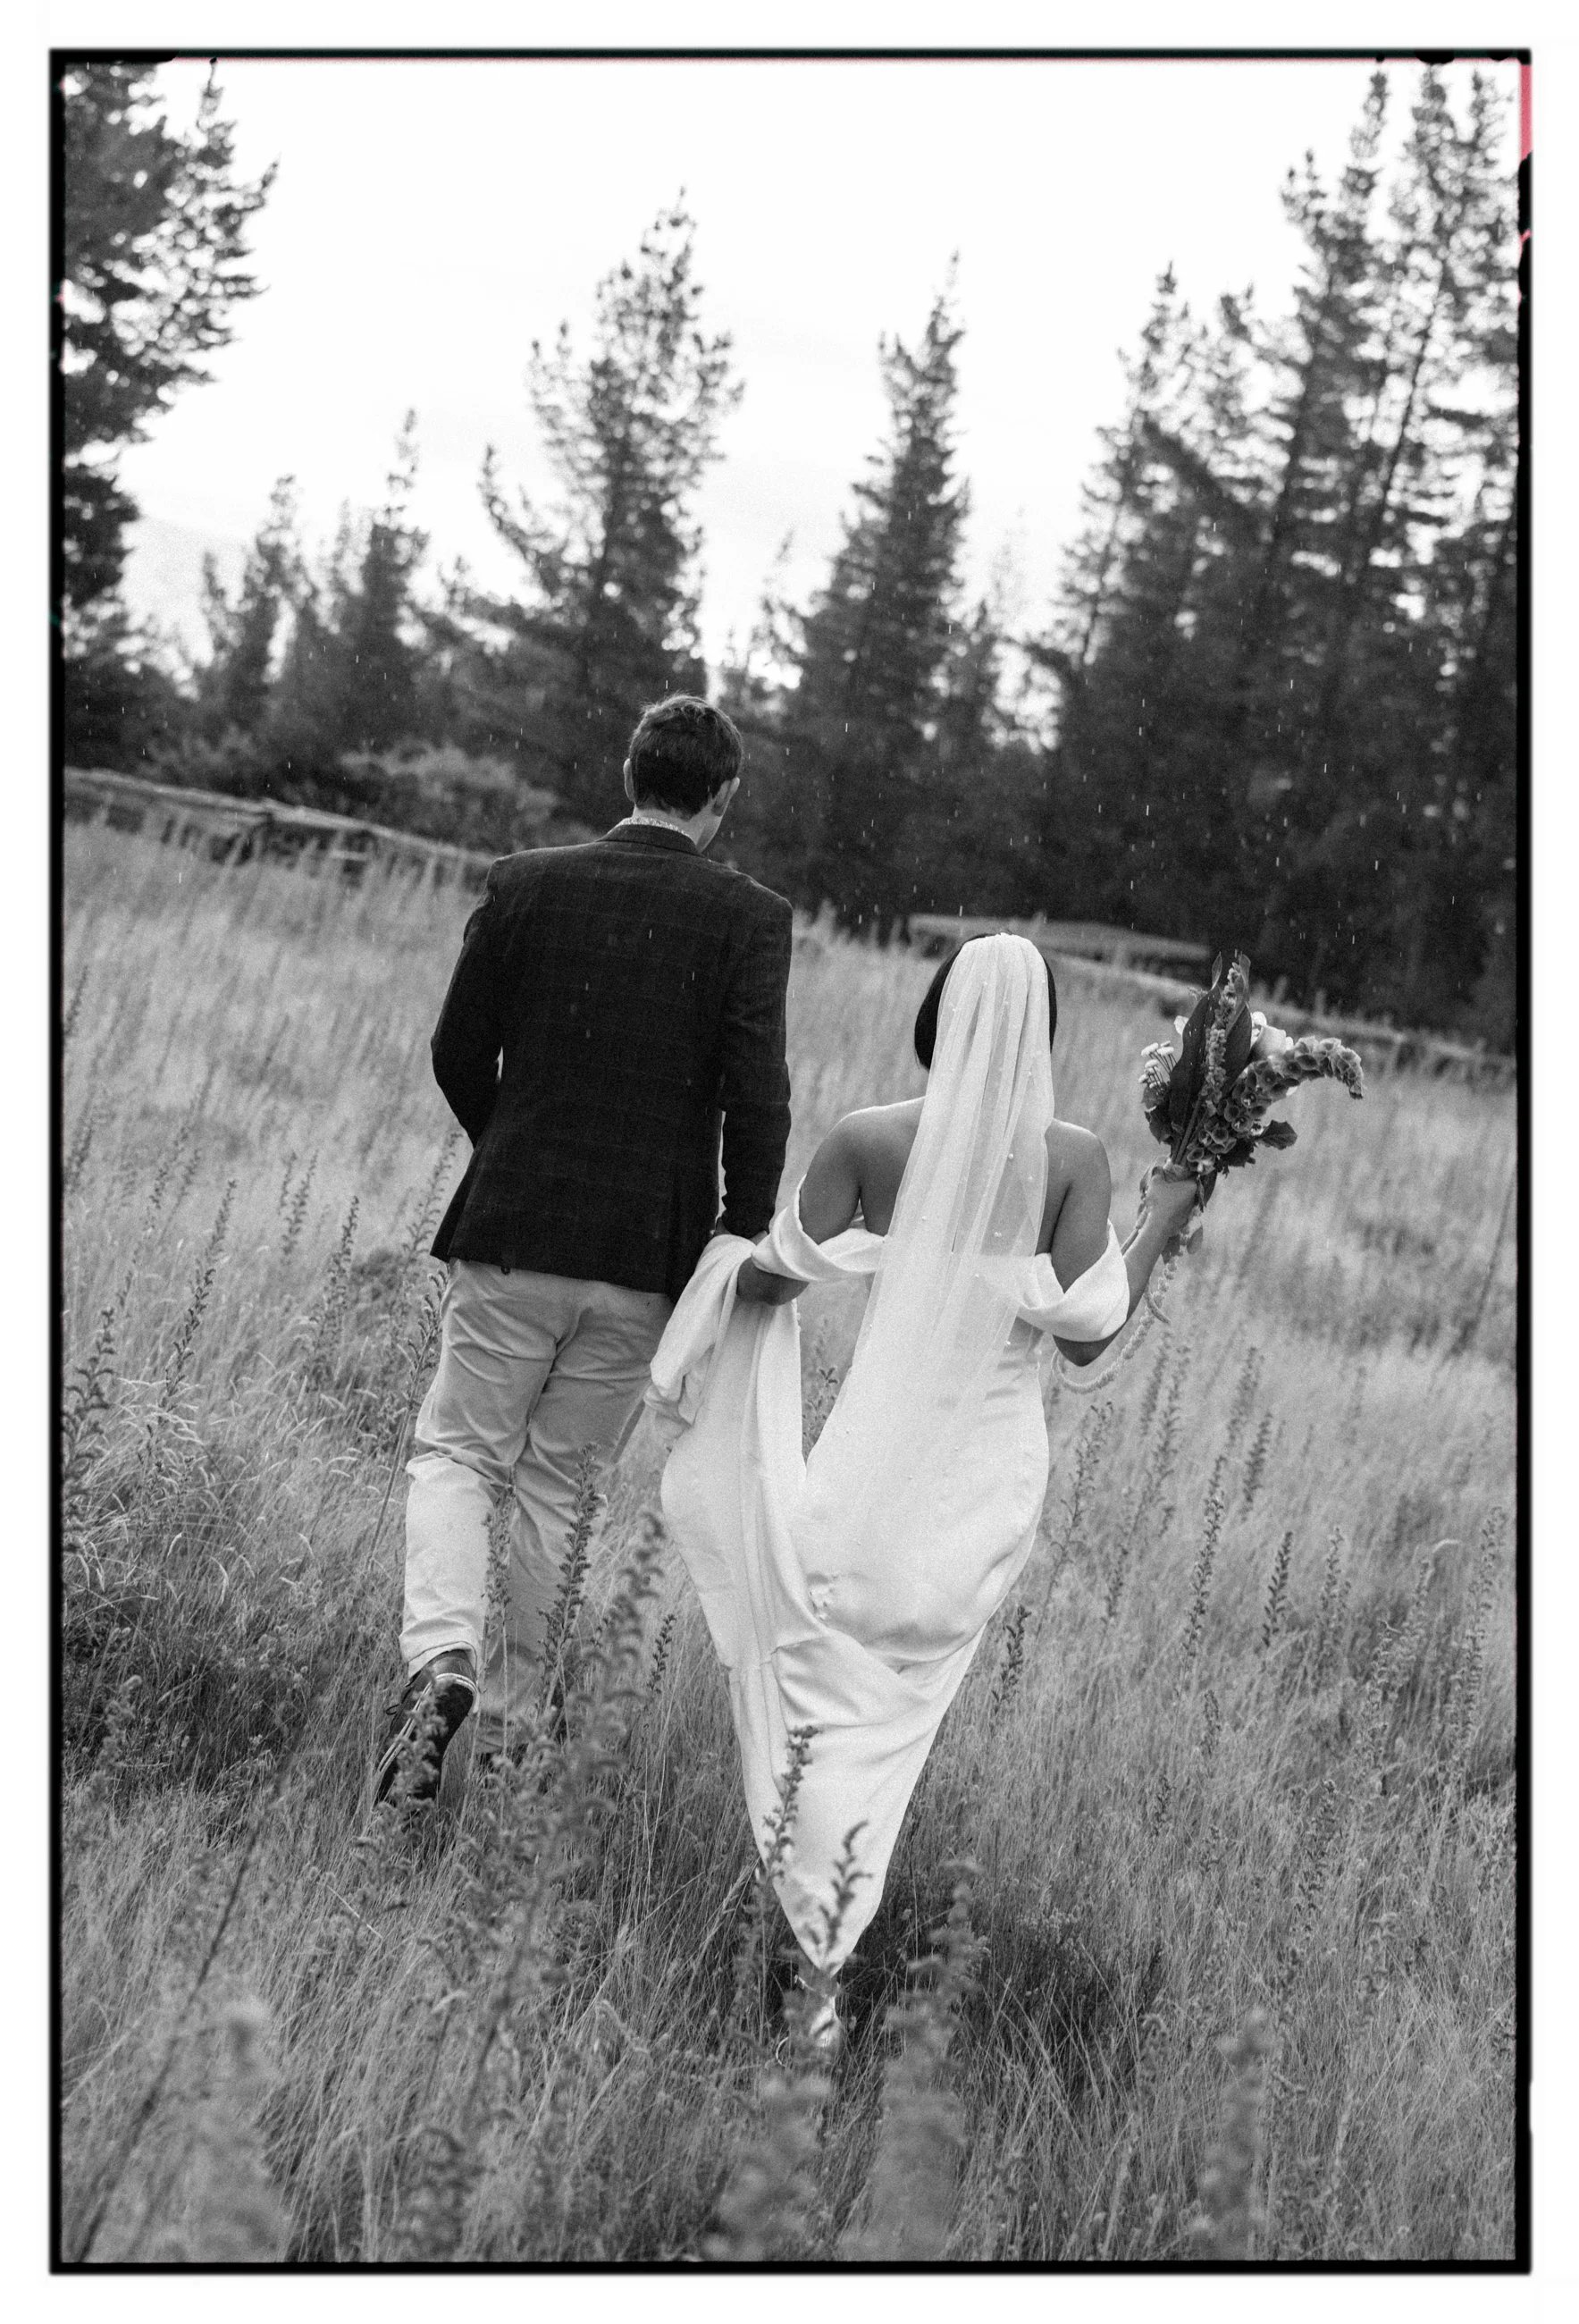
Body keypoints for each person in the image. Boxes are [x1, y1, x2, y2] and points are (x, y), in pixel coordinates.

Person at [646, 932, 1199, 2042]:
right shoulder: (1075, 1160)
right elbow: (1088, 1336)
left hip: (866, 1470)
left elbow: (775, 1266)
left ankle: (807, 1954)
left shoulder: (867, 1139)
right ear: (1042, 1032)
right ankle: (820, 1957)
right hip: (979, 1490)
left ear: (936, 1012)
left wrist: (711, 1272)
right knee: (895, 1721)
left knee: (818, 1699)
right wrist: (1167, 1217)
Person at [374, 695, 793, 1804]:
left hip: (514, 1231)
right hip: (645, 1259)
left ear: (627, 771)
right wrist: (732, 1236)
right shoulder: (749, 921)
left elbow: (458, 1046)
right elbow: (759, 1098)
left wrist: (512, 1144)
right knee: (561, 1488)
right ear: (725, 797)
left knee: (460, 1452)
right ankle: (510, 1734)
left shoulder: (527, 882)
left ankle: (440, 1661)